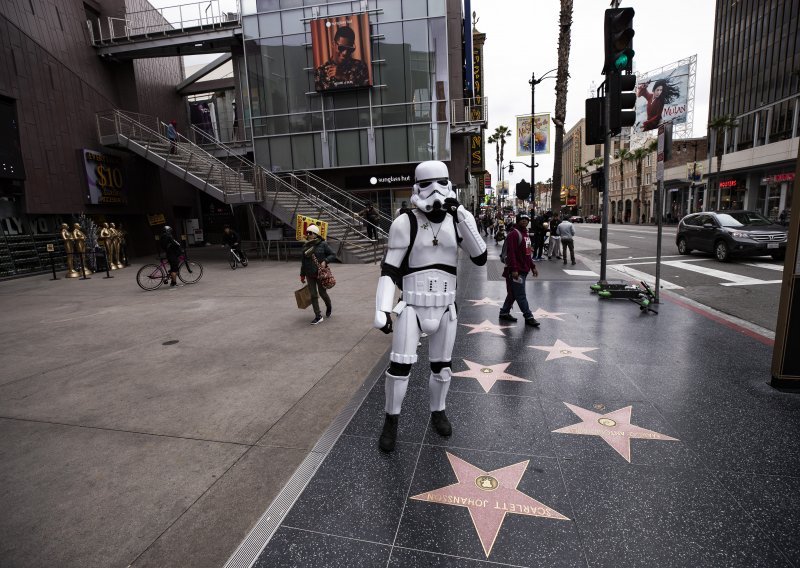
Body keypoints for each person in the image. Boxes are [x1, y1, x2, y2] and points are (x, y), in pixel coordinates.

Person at [373, 160, 487, 452]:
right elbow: (390, 269)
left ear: (449, 184)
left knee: (442, 368)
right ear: (416, 188)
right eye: (427, 184)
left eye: (440, 183)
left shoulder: (458, 221)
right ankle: (391, 420)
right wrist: (382, 308)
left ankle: (439, 410)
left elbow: (480, 256)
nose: (434, 191)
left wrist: (461, 214)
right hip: (412, 306)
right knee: (399, 368)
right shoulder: (404, 223)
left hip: (446, 307)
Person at [498, 214, 540, 328]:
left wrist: (533, 267)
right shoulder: (514, 234)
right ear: (518, 221)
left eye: (526, 220)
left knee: (513, 294)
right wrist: (514, 270)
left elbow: (527, 254)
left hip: (523, 269)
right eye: (522, 220)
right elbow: (511, 254)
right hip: (517, 271)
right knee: (520, 295)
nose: (524, 222)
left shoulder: (525, 234)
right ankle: (528, 317)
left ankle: (504, 312)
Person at [313, 26, 369, 91]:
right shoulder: (320, 72)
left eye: (349, 49)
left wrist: (344, 78)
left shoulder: (361, 66)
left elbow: (364, 92)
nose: (345, 53)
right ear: (333, 44)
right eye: (341, 48)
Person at [300, 224, 335, 325]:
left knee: (322, 293)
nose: (308, 234)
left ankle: (329, 306)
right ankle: (318, 316)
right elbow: (303, 262)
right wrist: (302, 275)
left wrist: (325, 261)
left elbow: (333, 254)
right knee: (313, 295)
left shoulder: (323, 244)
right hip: (309, 274)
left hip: (320, 274)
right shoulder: (305, 245)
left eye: (310, 233)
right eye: (307, 233)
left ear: (315, 234)